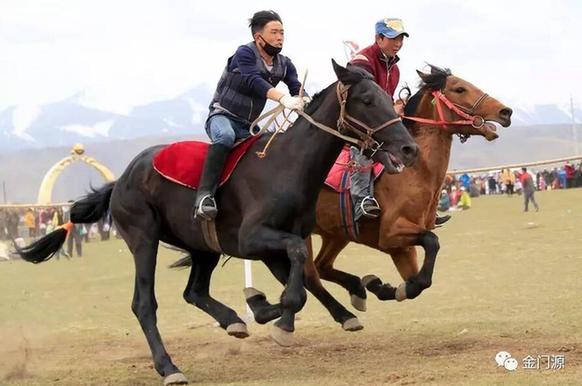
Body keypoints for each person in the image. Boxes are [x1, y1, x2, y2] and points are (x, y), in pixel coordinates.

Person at [194, 10, 307, 220]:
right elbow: (253, 81)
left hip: (248, 126)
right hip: (222, 116)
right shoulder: (244, 54)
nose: (280, 37)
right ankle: (204, 197)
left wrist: (305, 100)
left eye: (282, 32)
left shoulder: (284, 63)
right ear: (258, 37)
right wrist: (283, 99)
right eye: (274, 32)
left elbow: (295, 85)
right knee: (225, 137)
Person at [348, 18, 408, 220]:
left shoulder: (395, 69)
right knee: (365, 149)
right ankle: (361, 201)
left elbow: (385, 101)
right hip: (356, 122)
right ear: (378, 38)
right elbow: (363, 100)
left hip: (378, 123)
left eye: (401, 39)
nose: (398, 44)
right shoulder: (361, 61)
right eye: (393, 39)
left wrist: (396, 107)